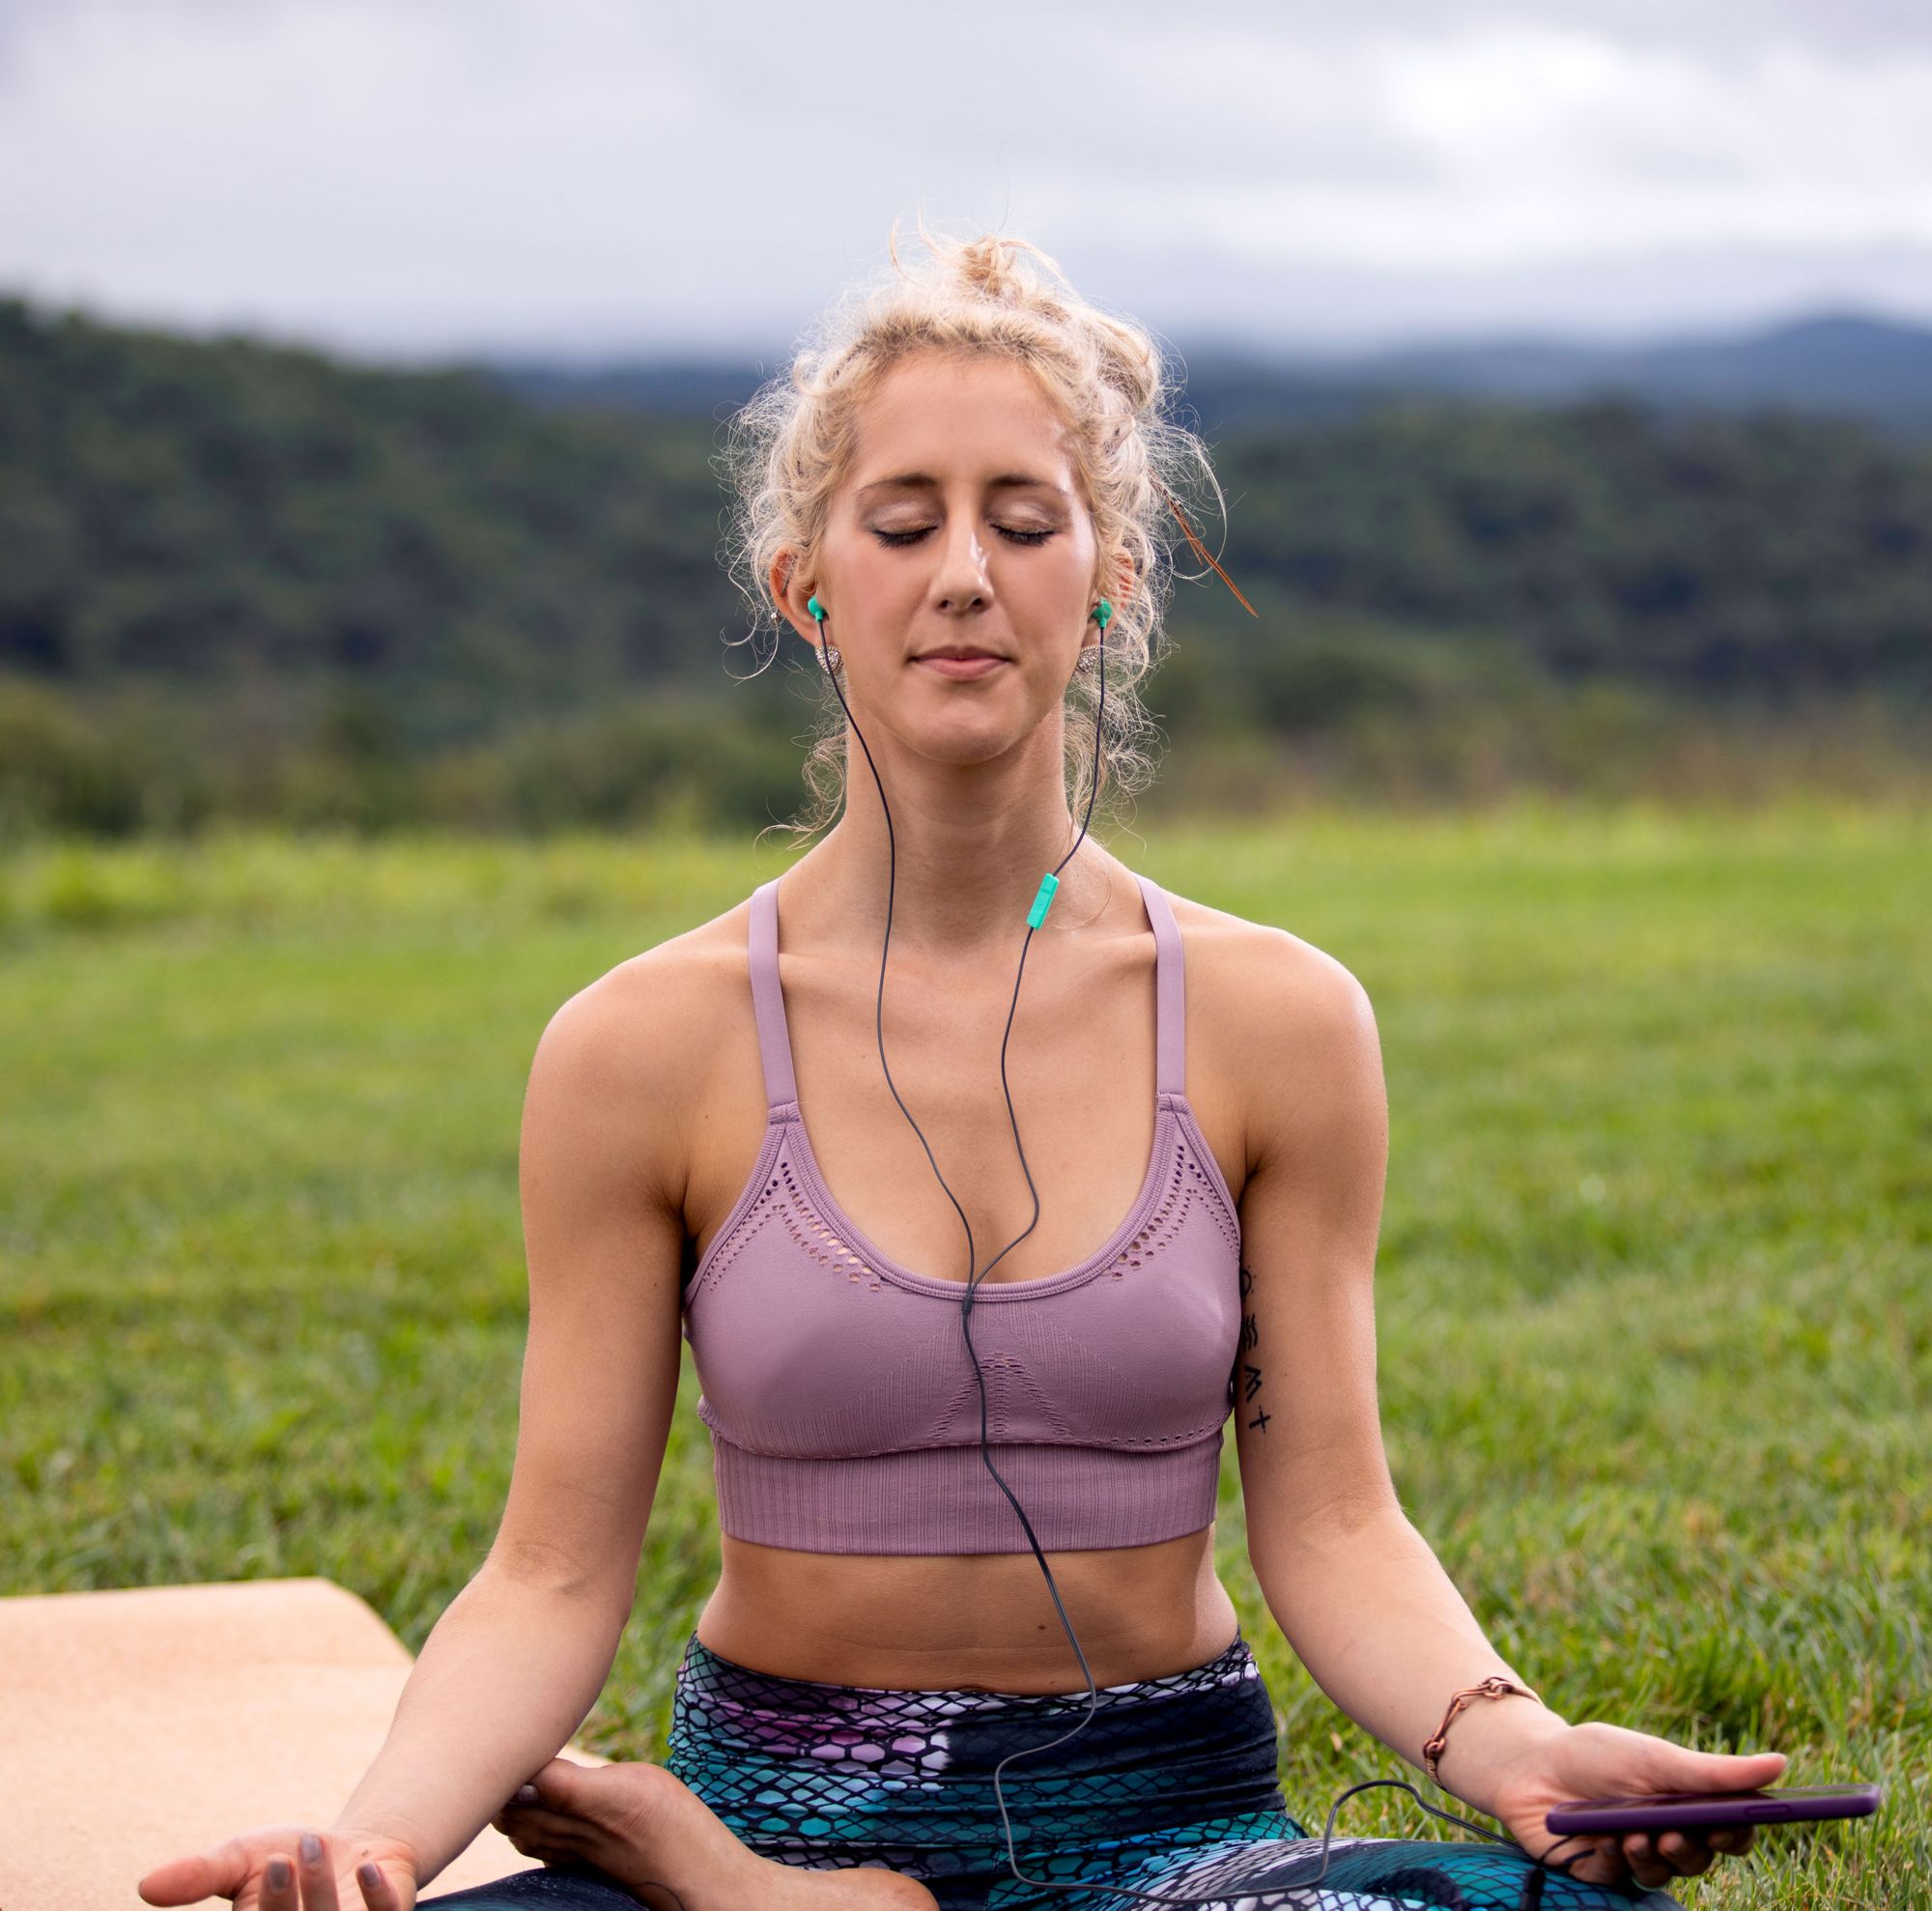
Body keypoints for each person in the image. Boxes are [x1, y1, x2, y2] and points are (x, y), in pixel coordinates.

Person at [138, 223, 1786, 1911]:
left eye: (1025, 521)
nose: (964, 576)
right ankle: (750, 1886)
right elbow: (552, 1570)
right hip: (775, 1809)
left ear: (1113, 571)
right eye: (904, 521)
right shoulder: (642, 1045)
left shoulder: (1279, 1022)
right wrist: (385, 1840)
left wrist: (1516, 1742)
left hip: (1169, 1835)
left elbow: (1339, 1522)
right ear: (807, 582)